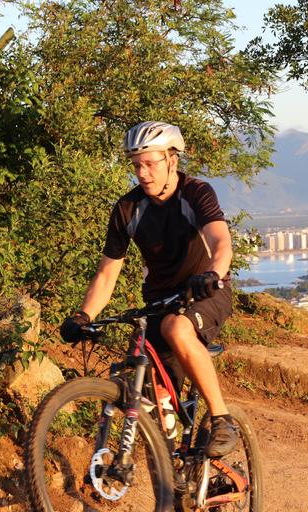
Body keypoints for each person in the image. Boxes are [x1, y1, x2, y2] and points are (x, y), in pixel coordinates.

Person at [59, 121, 237, 457]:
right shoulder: (127, 209)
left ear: (172, 160)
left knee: (176, 328)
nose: (142, 173)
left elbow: (221, 242)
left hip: (206, 292)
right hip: (159, 301)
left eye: (150, 164)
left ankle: (221, 419)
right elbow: (107, 274)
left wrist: (212, 273)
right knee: (140, 379)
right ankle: (171, 462)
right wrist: (83, 315)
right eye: (136, 165)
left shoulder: (195, 193)